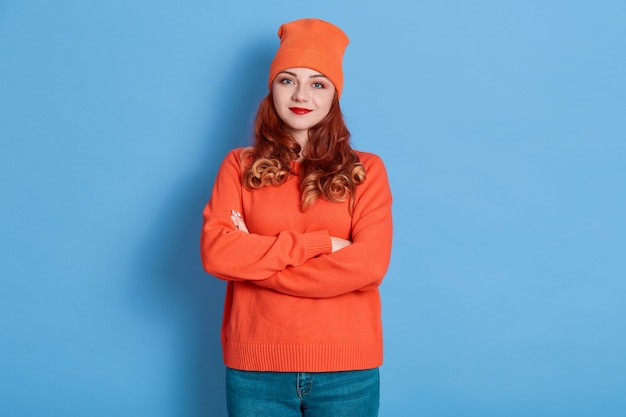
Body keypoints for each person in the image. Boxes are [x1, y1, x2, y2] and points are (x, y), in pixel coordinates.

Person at [200, 18, 393, 417]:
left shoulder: (367, 170)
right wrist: (318, 245)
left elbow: (368, 266)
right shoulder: (239, 165)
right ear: (272, 88)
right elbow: (217, 254)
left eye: (318, 83)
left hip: (347, 369)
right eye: (288, 80)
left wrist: (253, 260)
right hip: (256, 369)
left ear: (334, 95)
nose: (301, 94)